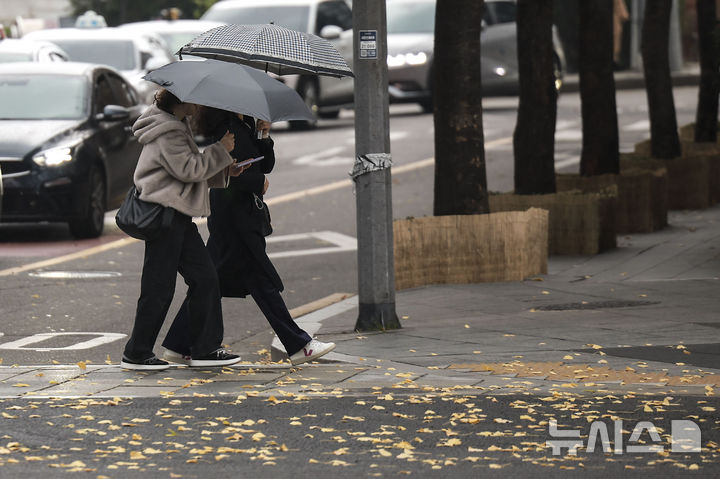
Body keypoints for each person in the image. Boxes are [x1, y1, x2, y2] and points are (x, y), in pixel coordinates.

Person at [161, 107, 336, 366]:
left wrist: (264, 134)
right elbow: (225, 174)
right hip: (234, 219)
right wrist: (257, 182)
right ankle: (299, 345)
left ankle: (177, 345)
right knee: (261, 281)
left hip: (239, 218)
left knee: (213, 282)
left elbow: (266, 164)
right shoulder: (227, 128)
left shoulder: (245, 126)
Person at [121, 89, 248, 371]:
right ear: (182, 101)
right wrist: (220, 151)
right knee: (159, 288)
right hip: (165, 217)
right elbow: (190, 170)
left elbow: (183, 172)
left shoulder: (175, 126)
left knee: (205, 279)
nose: (200, 105)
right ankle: (137, 353)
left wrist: (225, 170)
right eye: (196, 100)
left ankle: (204, 348)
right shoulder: (169, 132)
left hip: (177, 216)